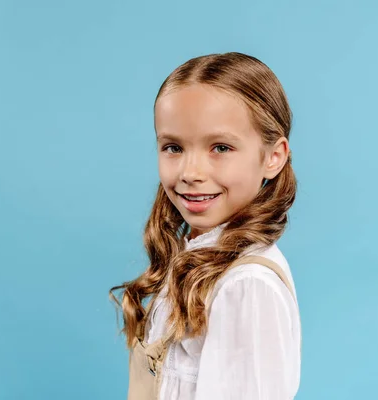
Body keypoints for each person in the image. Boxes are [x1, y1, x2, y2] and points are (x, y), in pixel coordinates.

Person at [110, 52, 302, 400]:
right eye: (173, 147)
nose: (190, 172)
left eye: (220, 147)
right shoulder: (199, 259)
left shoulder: (245, 286)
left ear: (273, 156)